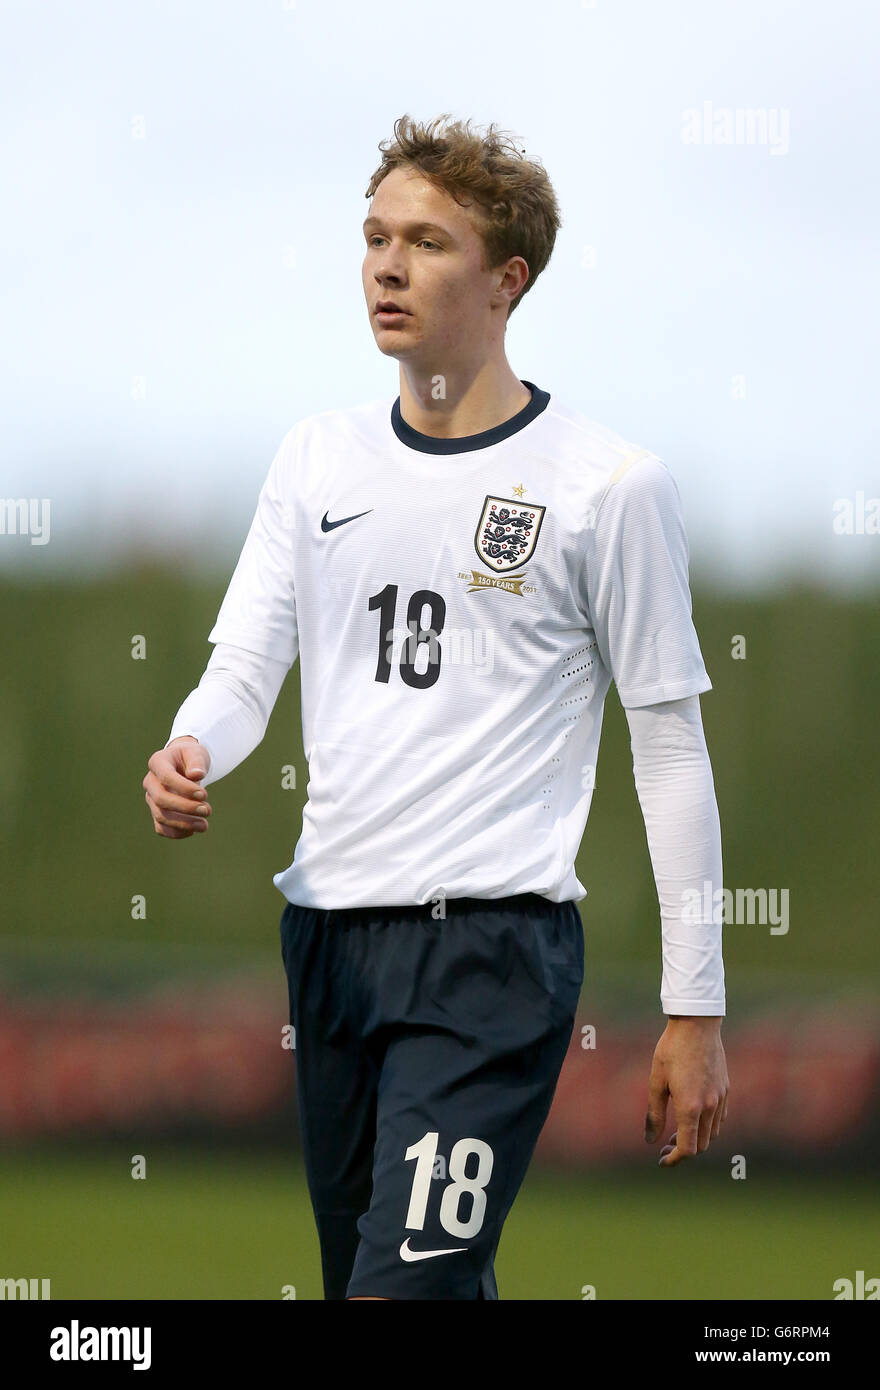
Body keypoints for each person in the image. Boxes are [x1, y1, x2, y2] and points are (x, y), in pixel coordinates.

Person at [143, 113, 728, 1301]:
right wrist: (196, 740)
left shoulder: (605, 487)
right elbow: (251, 662)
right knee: (410, 1281)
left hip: (488, 955)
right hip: (328, 941)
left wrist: (695, 1006)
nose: (387, 266)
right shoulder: (316, 458)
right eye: (373, 238)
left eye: (427, 242)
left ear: (508, 279)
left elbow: (668, 748)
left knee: (399, 1289)